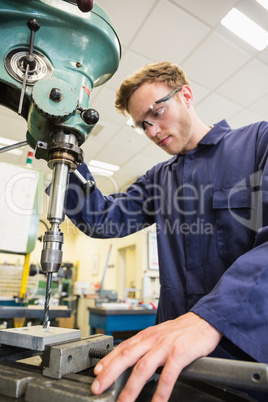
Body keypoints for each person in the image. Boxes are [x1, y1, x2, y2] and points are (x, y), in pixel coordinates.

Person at [65, 62, 268, 401]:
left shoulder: (258, 142)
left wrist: (211, 318)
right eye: (142, 125)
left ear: (185, 95)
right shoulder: (159, 180)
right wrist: (67, 157)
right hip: (176, 368)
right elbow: (103, 218)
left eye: (156, 113)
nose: (152, 130)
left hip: (247, 360)